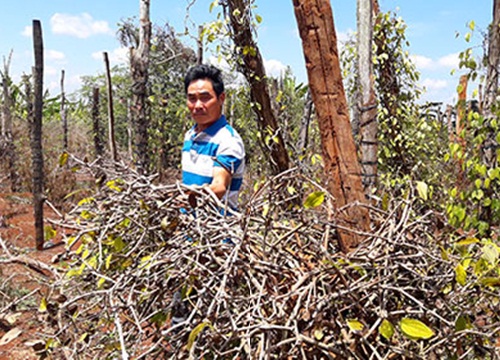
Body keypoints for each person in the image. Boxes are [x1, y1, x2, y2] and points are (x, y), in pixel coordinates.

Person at [181, 64, 245, 211]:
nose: (197, 105)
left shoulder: (228, 141)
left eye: (205, 98)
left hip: (216, 231)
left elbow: (219, 186)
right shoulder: (190, 135)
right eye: (192, 98)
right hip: (188, 229)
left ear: (221, 98)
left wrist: (184, 198)